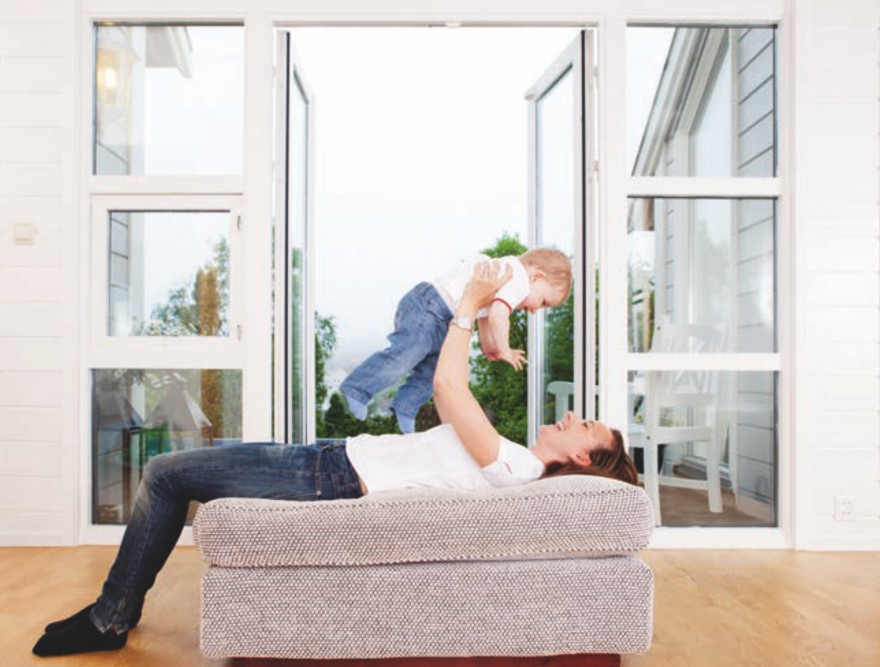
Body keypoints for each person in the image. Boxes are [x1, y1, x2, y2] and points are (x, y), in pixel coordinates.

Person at [32, 261, 637, 658]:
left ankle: (110, 619)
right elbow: (447, 391)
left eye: (583, 425)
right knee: (182, 470)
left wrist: (468, 305)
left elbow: (450, 389)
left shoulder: (517, 468)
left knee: (165, 474)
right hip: (328, 459)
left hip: (327, 477)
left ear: (584, 456)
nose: (570, 417)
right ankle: (115, 611)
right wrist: (481, 322)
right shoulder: (512, 456)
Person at [340, 248, 572, 434]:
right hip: (430, 307)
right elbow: (498, 316)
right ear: (536, 276)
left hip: (441, 317)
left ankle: (406, 407)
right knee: (404, 356)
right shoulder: (518, 279)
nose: (535, 310)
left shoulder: (505, 273)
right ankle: (357, 389)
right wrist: (506, 350)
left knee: (433, 371)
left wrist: (489, 347)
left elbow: (484, 316)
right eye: (543, 302)